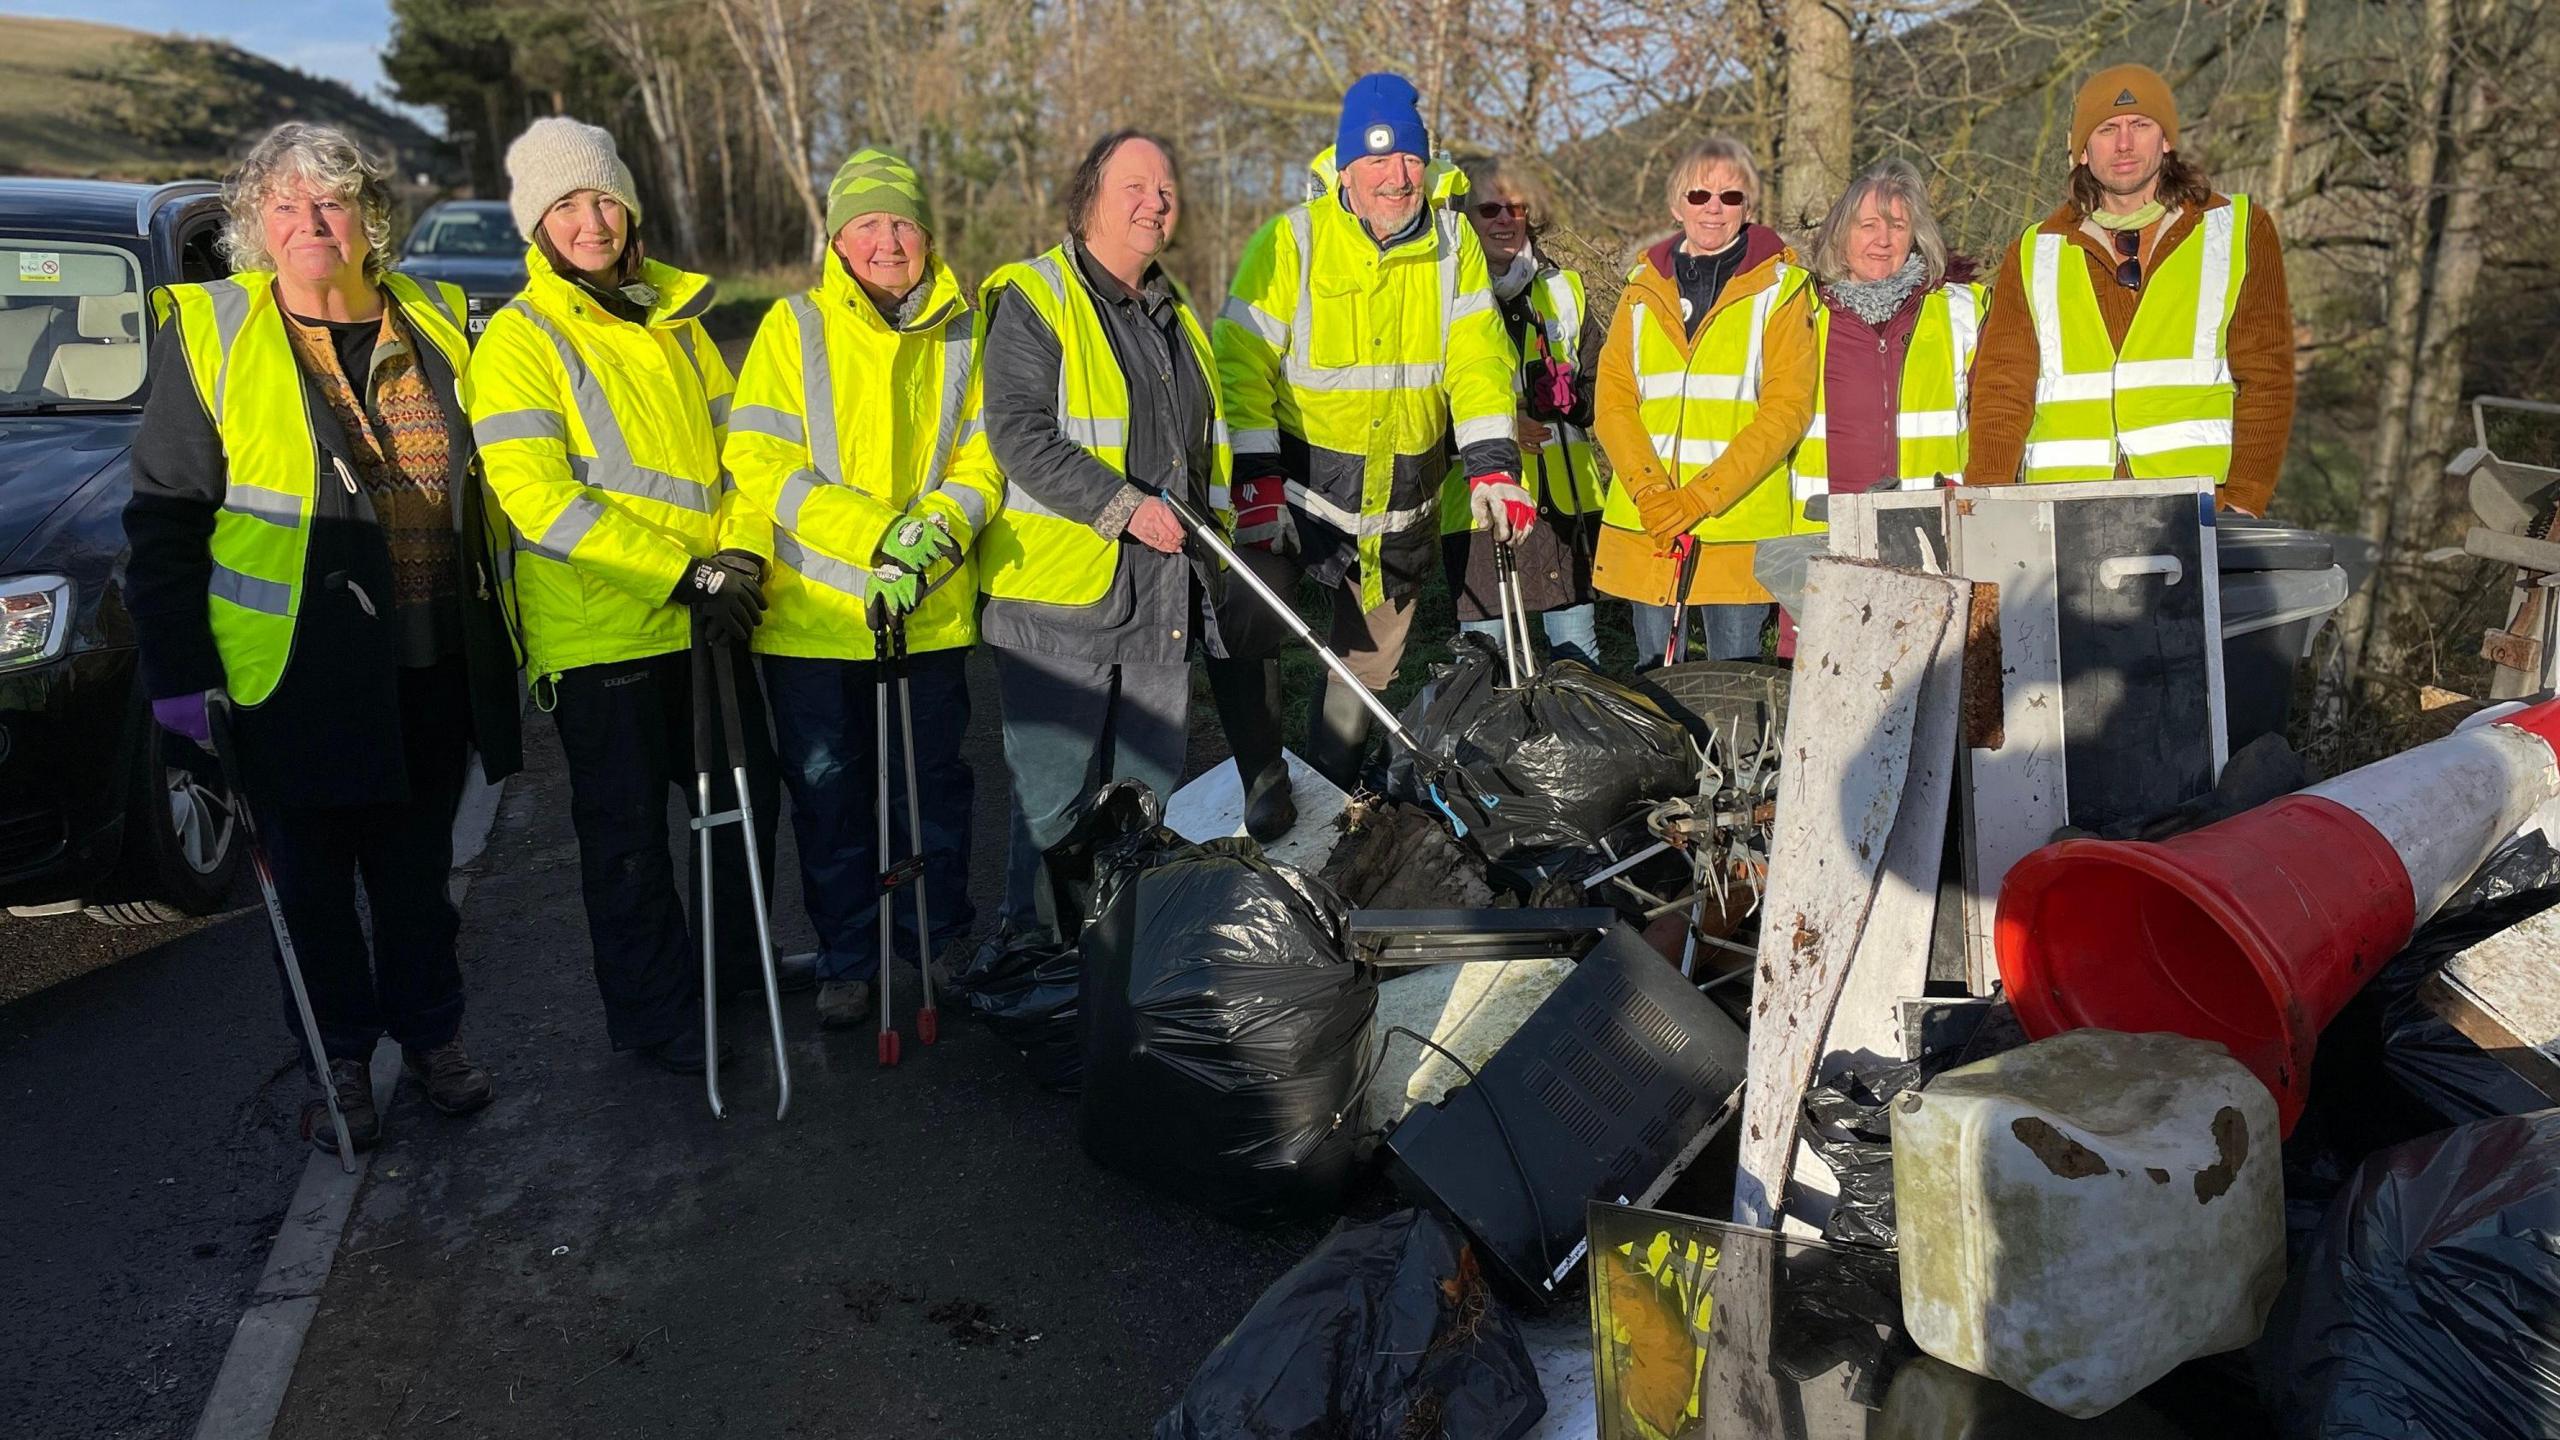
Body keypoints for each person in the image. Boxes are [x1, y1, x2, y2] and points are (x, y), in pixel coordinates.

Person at [125, 122, 523, 1151]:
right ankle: (340, 1061)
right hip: (290, 677)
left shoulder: (437, 318)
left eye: (332, 201)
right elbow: (165, 524)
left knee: (415, 880)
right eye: (287, 204)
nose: (311, 221)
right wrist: (179, 687)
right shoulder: (215, 334)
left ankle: (432, 1039)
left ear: (367, 218)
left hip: (430, 665)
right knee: (310, 891)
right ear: (256, 223)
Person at [467, 117, 797, 1076]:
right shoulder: (520, 342)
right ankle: (657, 1014)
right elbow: (537, 502)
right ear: (538, 225)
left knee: (743, 806)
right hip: (603, 632)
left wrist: (736, 560)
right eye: (566, 205)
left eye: (604, 198)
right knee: (628, 845)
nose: (590, 219)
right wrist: (678, 573)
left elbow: (744, 457)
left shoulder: (679, 324)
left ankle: (735, 971)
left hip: (713, 615)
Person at [725, 149, 1000, 1029]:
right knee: (830, 798)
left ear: (927, 235)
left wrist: (940, 533)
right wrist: (875, 532)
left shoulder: (966, 328)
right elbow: (758, 458)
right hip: (813, 620)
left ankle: (934, 938)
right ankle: (848, 955)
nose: (889, 241)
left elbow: (986, 455)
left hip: (927, 613)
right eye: (870, 224)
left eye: (904, 223)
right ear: (838, 239)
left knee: (935, 787)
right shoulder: (792, 326)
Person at [1213, 72, 1522, 805]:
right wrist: (1254, 478)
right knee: (1247, 617)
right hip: (1294, 488)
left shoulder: (1455, 245)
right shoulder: (1292, 239)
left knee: (1367, 665)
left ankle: (1329, 788)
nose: (1396, 176)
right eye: (1378, 160)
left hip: (1400, 503)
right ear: (1345, 166)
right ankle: (1261, 777)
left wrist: (1491, 466)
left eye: (1410, 159)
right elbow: (1240, 358)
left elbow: (1478, 357)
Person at [976, 129, 1232, 940]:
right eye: (1135, 184)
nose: (1155, 200)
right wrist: (1123, 506)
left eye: (1166, 188)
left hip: (1162, 601)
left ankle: (1121, 971)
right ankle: (1041, 975)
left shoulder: (1177, 315)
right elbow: (1017, 432)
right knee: (1054, 807)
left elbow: (1201, 454)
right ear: (1089, 196)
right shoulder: (1035, 296)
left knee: (1145, 802)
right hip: (1059, 607)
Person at [1965, 63, 2293, 516]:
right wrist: (1988, 507)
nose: (2123, 143)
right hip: (2065, 509)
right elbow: (2002, 390)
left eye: (2140, 125)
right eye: (2106, 129)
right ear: (2082, 151)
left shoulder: (2237, 230)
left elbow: (2267, 378)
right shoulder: (2034, 250)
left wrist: (2244, 500)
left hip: (2195, 507)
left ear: (2166, 140)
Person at [1590, 136, 1815, 668]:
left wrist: (1698, 499)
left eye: (1730, 196)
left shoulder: (1782, 290)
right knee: (1654, 680)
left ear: (1750, 206)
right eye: (1699, 195)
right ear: (1676, 205)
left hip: (1736, 525)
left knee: (1732, 685)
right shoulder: (1640, 291)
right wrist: (1650, 492)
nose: (1714, 207)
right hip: (1649, 524)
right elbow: (1614, 400)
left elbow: (1787, 410)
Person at [1440, 154, 1606, 668]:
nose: (1504, 220)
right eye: (1489, 209)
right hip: (1477, 506)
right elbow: (1415, 403)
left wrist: (1574, 401)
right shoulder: (1437, 296)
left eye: (1515, 207)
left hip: (1564, 506)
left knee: (1578, 657)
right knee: (1485, 664)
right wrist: (1503, 426)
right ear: (1463, 219)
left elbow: (1604, 388)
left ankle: (1585, 750)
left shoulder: (1566, 289)